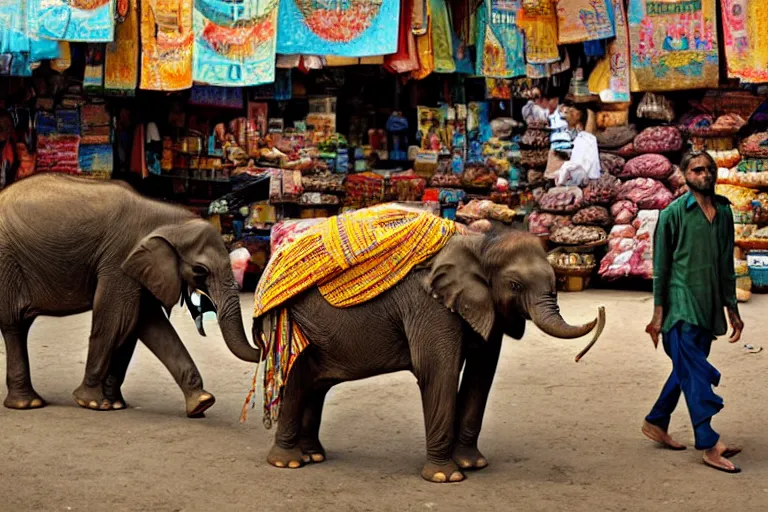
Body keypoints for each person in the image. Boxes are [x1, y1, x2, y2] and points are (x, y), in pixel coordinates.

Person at [643, 150, 745, 474]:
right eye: (696, 169)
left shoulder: (725, 212)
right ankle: (708, 442)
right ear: (685, 175)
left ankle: (656, 421)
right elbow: (661, 268)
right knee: (697, 374)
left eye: (708, 168)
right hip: (680, 305)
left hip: (709, 304)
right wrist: (658, 317)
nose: (704, 174)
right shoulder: (672, 214)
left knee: (687, 369)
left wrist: (733, 309)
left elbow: (727, 265)